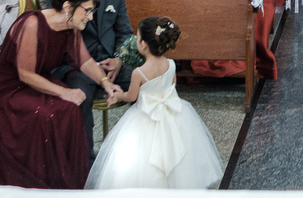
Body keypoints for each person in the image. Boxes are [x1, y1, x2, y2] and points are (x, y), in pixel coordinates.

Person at [0, 0, 124, 195]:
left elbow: (85, 61)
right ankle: (37, 182)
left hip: (38, 80)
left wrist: (105, 82)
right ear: (68, 6)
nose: (90, 17)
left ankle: (60, 181)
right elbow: (25, 74)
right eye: (87, 10)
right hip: (9, 87)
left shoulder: (70, 25)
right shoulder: (32, 23)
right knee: (47, 114)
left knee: (71, 110)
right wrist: (64, 92)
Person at [86, 16, 223, 189]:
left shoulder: (139, 73)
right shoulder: (171, 64)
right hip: (172, 113)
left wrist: (118, 96)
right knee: (176, 151)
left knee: (142, 158)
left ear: (143, 44)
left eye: (137, 37)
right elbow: (172, 86)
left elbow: (131, 97)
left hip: (145, 117)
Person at [56, 0, 135, 155]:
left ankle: (137, 153)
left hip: (112, 63)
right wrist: (89, 65)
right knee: (80, 96)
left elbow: (125, 31)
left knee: (146, 83)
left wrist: (119, 58)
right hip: (78, 65)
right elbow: (60, 38)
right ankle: (85, 160)